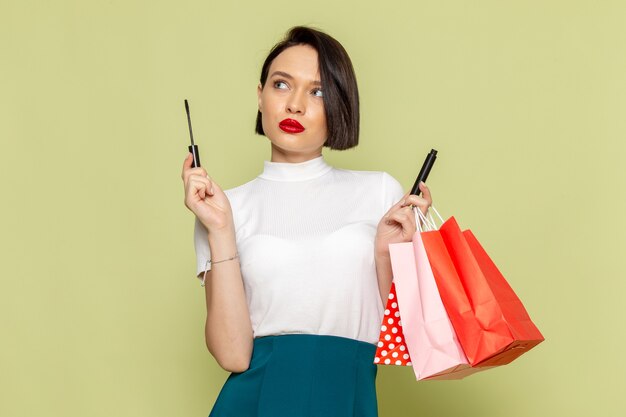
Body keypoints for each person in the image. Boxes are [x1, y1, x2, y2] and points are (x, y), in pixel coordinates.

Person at [181, 26, 432, 417]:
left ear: (340, 106)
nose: (295, 105)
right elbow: (232, 354)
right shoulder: (224, 208)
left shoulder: (380, 194)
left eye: (317, 92)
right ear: (260, 96)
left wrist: (387, 253)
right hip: (255, 401)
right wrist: (220, 229)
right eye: (282, 85)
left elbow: (406, 339)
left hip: (347, 394)